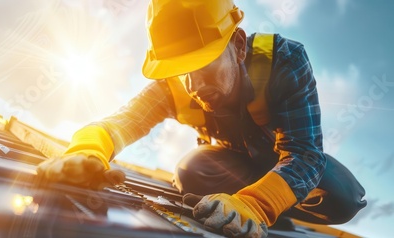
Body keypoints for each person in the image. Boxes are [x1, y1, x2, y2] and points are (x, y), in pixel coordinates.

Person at [37, 0, 366, 237]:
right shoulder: (173, 86)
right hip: (235, 164)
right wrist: (86, 153)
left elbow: (304, 154)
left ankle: (270, 206)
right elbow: (120, 123)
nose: (192, 86)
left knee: (342, 198)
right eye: (182, 72)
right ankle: (249, 203)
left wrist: (258, 204)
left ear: (238, 46)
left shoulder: (284, 61)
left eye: (203, 65)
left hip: (286, 158)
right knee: (190, 172)